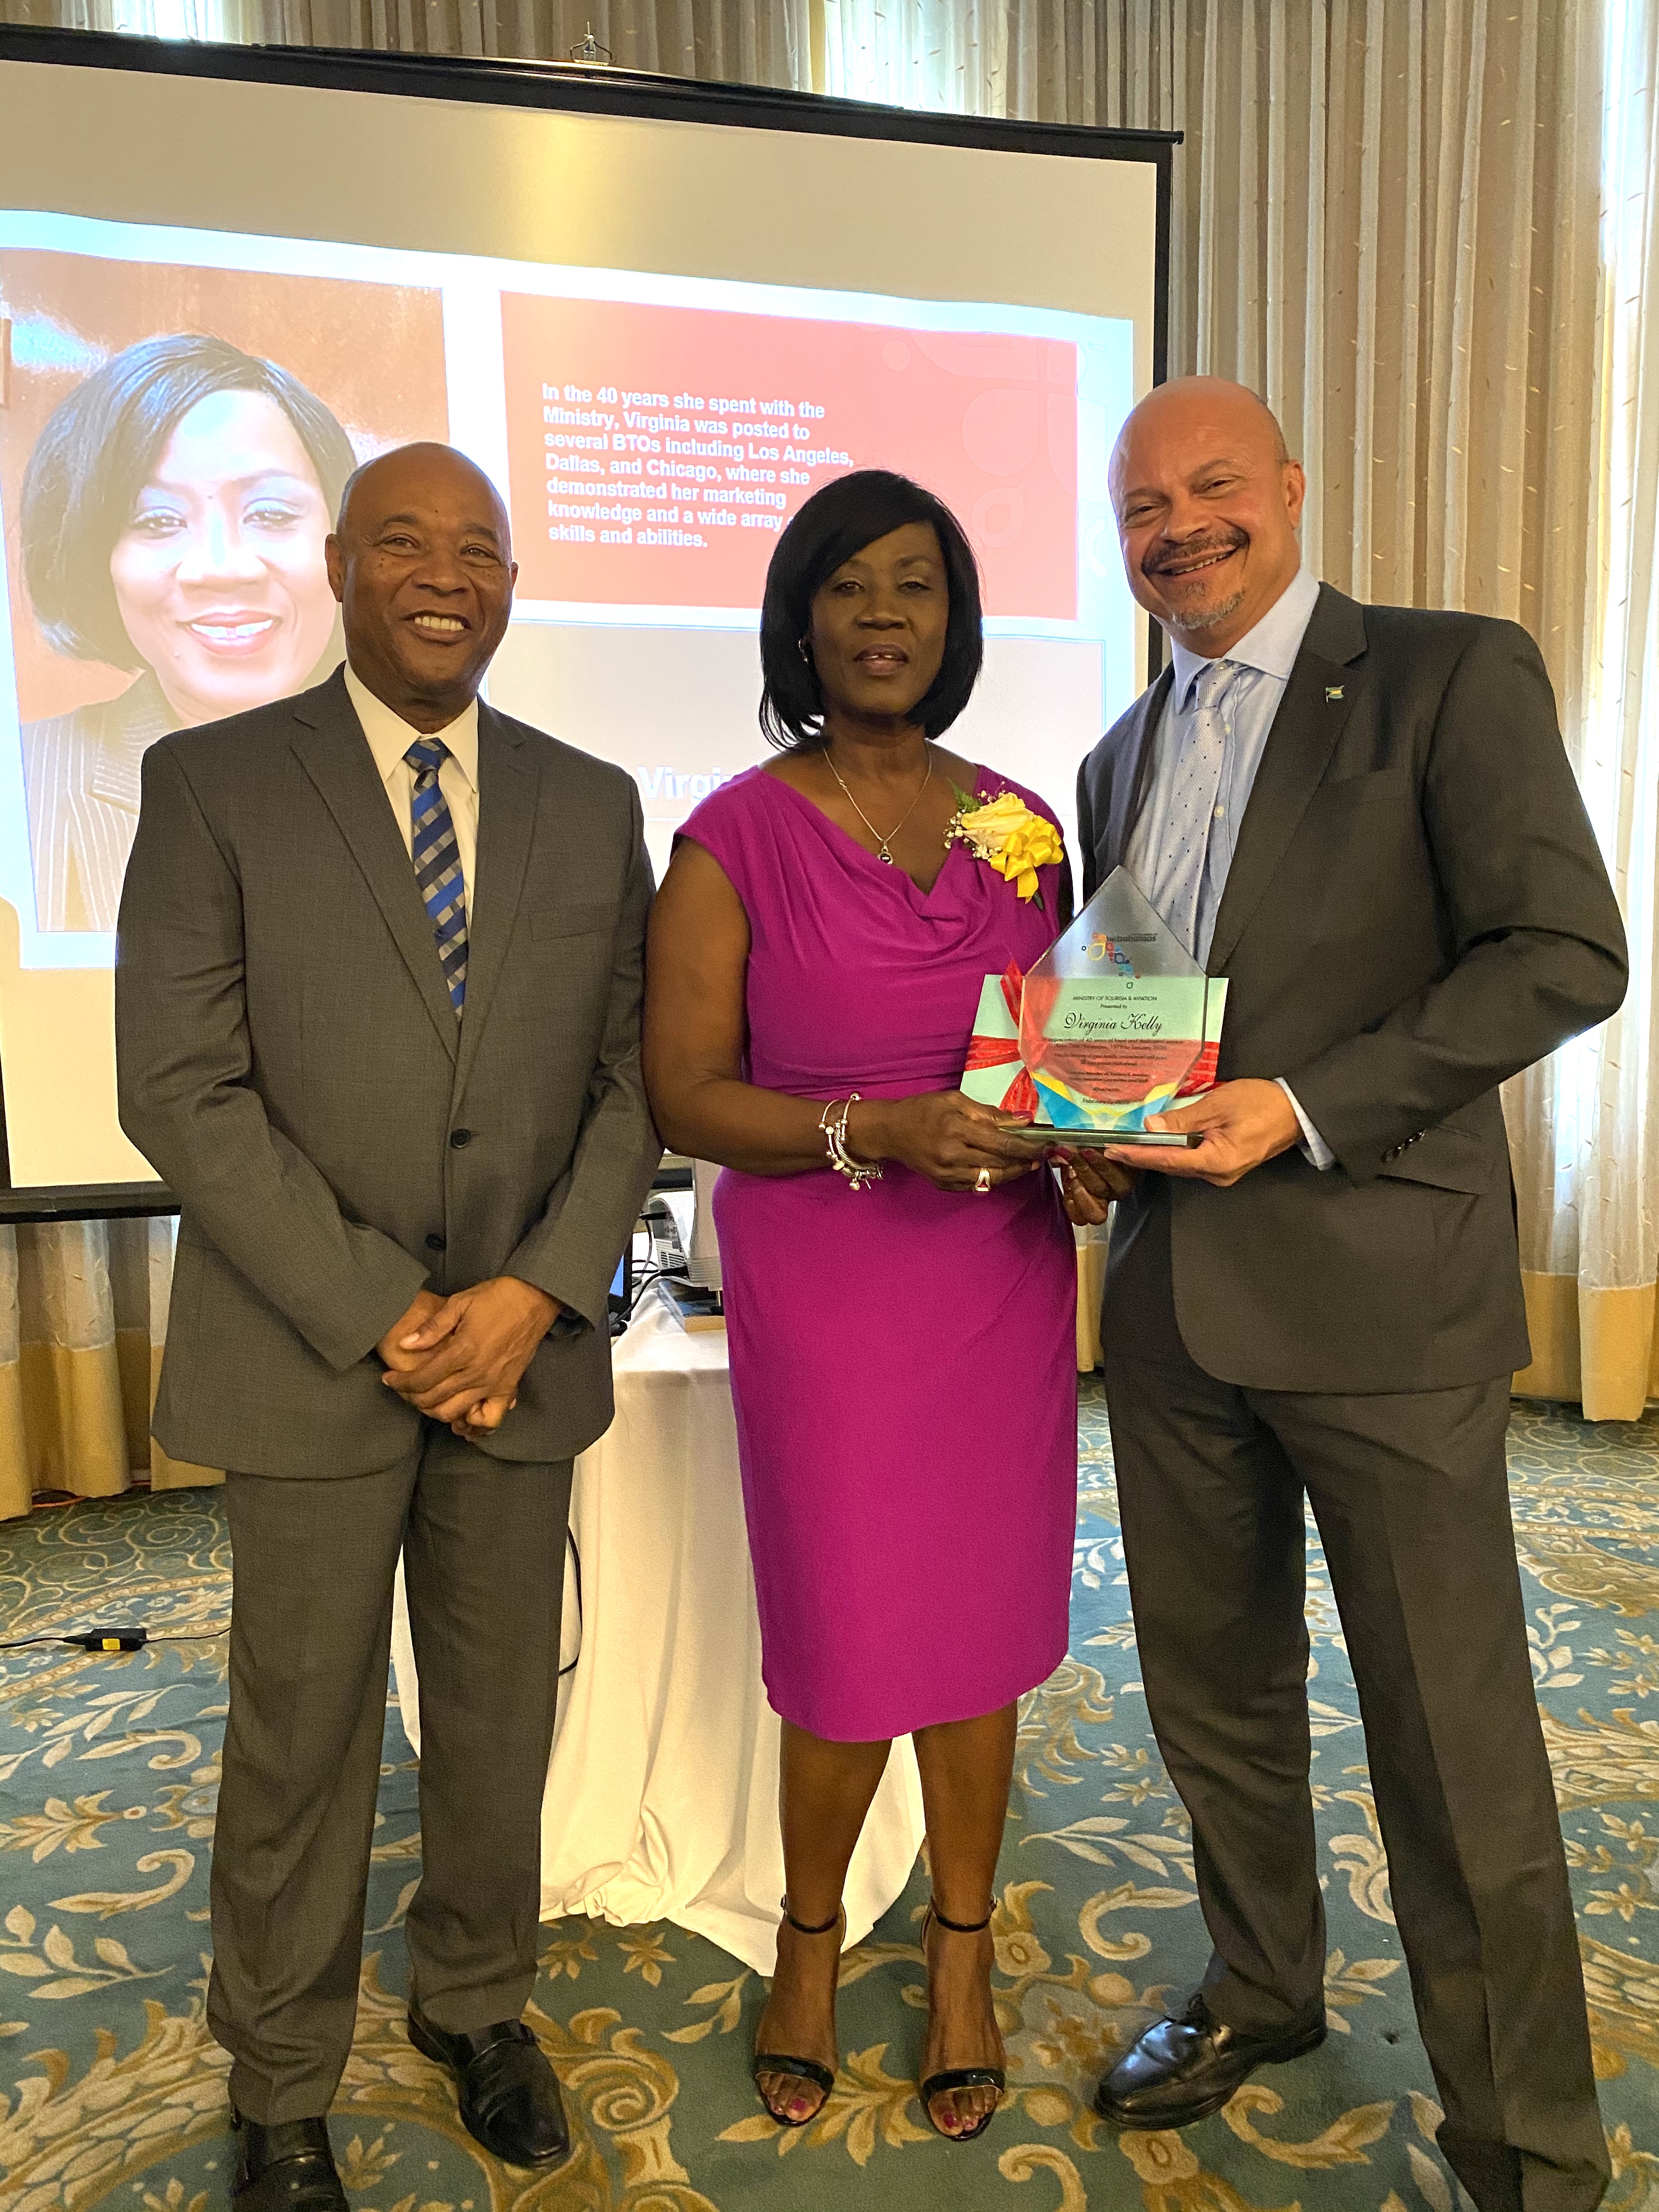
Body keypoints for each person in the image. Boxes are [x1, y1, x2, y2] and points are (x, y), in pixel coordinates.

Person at [1060, 377, 1626, 2212]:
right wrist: (1088, 1131)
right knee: (1211, 1698)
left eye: (1211, 485)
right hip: (1170, 1313)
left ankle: (1525, 2147)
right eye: (1142, 504)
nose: (1177, 527)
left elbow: (1565, 951)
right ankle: (1258, 1988)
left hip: (1383, 1305)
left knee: (1451, 1743)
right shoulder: (1113, 761)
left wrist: (1302, 1108)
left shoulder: (1449, 678)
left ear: (1291, 491)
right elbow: (1135, 1027)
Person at [115, 442, 659, 2210]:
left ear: (511, 586)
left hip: (524, 1352)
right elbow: (180, 1089)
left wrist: (524, 1298)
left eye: (482, 551)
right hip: (308, 1352)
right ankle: (278, 2077)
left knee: (500, 1709)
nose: (447, 575)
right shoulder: (210, 784)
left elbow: (628, 1081)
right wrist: (387, 1312)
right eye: (408, 544)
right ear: (340, 568)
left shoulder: (593, 802)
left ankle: (474, 2000)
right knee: (303, 1728)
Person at [644, 469, 1077, 2145]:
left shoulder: (1021, 823)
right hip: (828, 1288)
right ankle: (808, 1944)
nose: (888, 615)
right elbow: (684, 1094)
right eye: (852, 586)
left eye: (919, 585)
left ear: (955, 622)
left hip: (997, 1278)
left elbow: (1056, 1061)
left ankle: (962, 1951)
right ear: (803, 622)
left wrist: (1092, 1150)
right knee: (840, 1644)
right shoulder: (733, 835)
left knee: (980, 1639)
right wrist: (869, 1130)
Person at [21, 333, 354, 930]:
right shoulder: (18, 783)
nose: (223, 568)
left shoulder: (434, 786)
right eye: (158, 520)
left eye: (272, 514)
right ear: (98, 560)